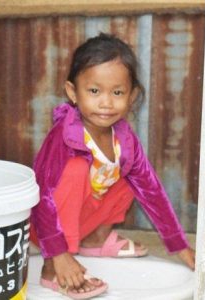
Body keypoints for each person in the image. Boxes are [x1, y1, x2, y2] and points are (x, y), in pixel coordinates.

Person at [30, 33, 195, 299]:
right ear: (73, 92)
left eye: (117, 92)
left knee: (134, 176)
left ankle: (95, 239)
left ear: (132, 96)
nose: (106, 102)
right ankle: (52, 268)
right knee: (75, 169)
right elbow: (42, 197)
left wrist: (179, 245)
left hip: (84, 218)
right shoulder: (66, 136)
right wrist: (58, 253)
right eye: (94, 91)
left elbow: (151, 191)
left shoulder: (124, 140)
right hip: (47, 229)